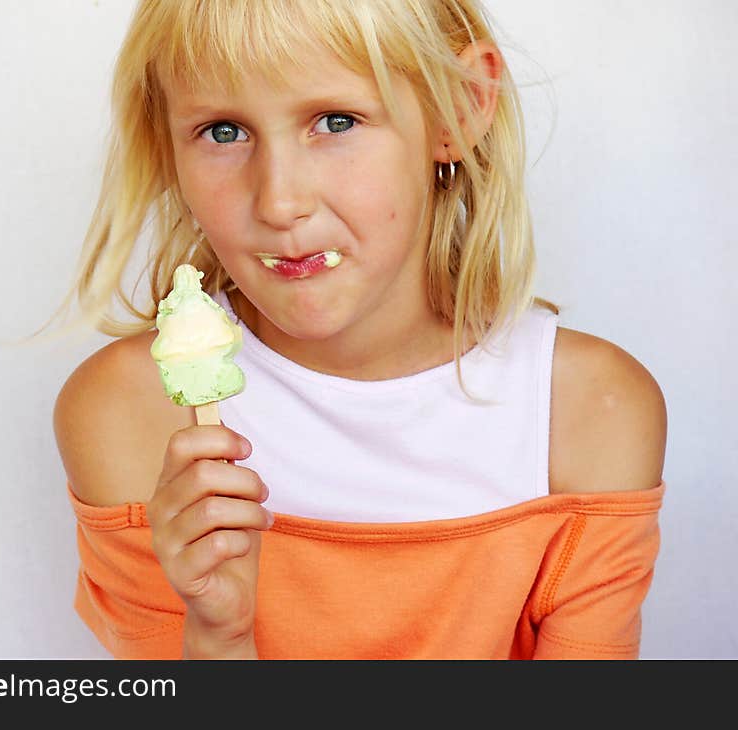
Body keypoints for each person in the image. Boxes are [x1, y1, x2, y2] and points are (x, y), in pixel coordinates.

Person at [51, 0, 667, 659]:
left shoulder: (588, 413)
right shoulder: (130, 413)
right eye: (223, 131)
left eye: (335, 121)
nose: (280, 202)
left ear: (461, 108)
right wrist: (217, 640)